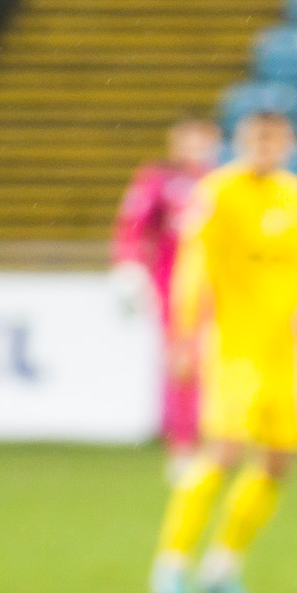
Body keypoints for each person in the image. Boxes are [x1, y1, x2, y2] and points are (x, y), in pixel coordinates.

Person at [148, 110, 297, 593]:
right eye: (257, 139)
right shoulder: (218, 192)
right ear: (242, 143)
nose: (266, 148)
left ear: (287, 144)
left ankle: (222, 567)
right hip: (234, 345)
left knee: (279, 460)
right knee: (224, 452)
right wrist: (183, 336)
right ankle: (172, 562)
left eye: (275, 139)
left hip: (282, 347)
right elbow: (193, 265)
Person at [110, 116, 219, 482]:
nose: (195, 147)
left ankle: (220, 441)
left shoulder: (224, 182)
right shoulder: (157, 179)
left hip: (222, 288)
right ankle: (182, 445)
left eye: (202, 140)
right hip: (175, 286)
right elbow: (132, 226)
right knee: (183, 364)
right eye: (188, 140)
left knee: (221, 364)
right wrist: (127, 266)